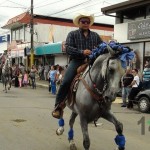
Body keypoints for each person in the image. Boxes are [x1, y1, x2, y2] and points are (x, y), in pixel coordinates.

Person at [52, 12, 103, 119]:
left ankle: (103, 104)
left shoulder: (95, 36)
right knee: (66, 81)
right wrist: (82, 52)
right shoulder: (72, 34)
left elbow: (102, 47)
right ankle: (58, 106)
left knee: (104, 78)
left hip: (92, 61)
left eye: (87, 22)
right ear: (79, 23)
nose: (85, 23)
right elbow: (68, 49)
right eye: (83, 22)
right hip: (77, 61)